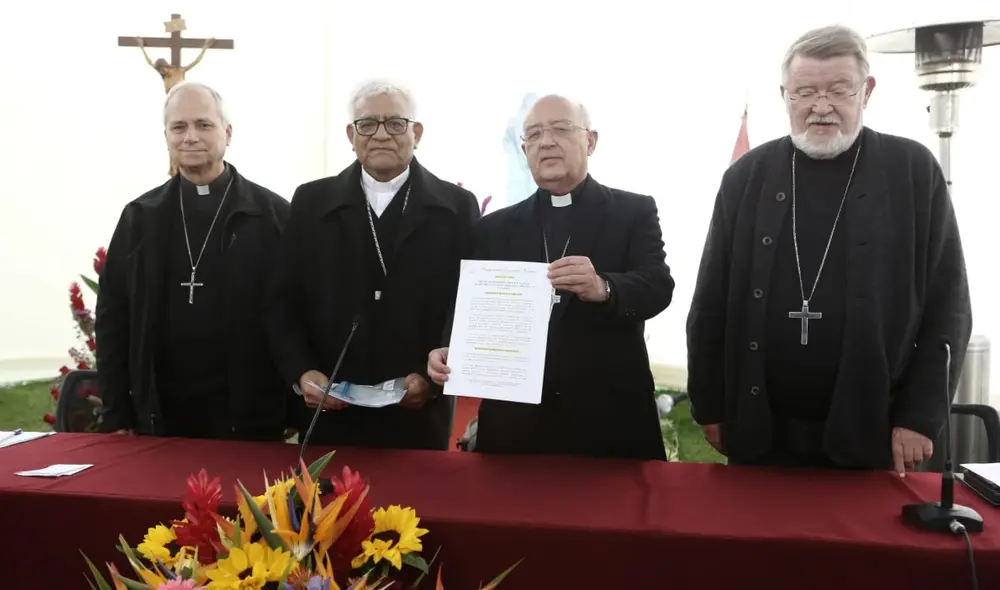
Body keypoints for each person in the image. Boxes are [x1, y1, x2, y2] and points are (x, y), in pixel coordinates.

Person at [685, 25, 972, 473]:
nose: (821, 107)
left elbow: (948, 307)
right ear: (785, 96)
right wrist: (711, 404)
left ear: (866, 91)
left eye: (839, 90)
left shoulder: (913, 173)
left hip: (873, 429)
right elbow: (710, 301)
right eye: (805, 93)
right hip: (762, 430)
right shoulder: (747, 178)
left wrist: (920, 416)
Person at [427, 94, 676, 461]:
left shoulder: (632, 212)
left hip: (609, 425)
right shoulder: (494, 228)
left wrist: (604, 287)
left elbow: (658, 287)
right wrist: (452, 348)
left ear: (590, 141)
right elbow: (473, 310)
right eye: (534, 134)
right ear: (524, 149)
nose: (546, 141)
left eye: (561, 129)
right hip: (515, 429)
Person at [265, 80, 480, 450]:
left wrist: (432, 381)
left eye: (395, 123)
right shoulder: (311, 203)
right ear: (351, 134)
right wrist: (302, 374)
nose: (381, 134)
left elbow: (468, 305)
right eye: (367, 124)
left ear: (417, 132)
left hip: (418, 410)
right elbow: (281, 301)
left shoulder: (456, 208)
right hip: (329, 409)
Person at [95, 81, 292, 441]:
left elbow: (295, 313)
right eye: (179, 127)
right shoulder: (140, 217)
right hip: (162, 411)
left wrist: (295, 409)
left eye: (204, 125)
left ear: (227, 133)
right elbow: (113, 318)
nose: (190, 137)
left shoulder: (272, 215)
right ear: (167, 136)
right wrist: (116, 412)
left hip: (248, 412)